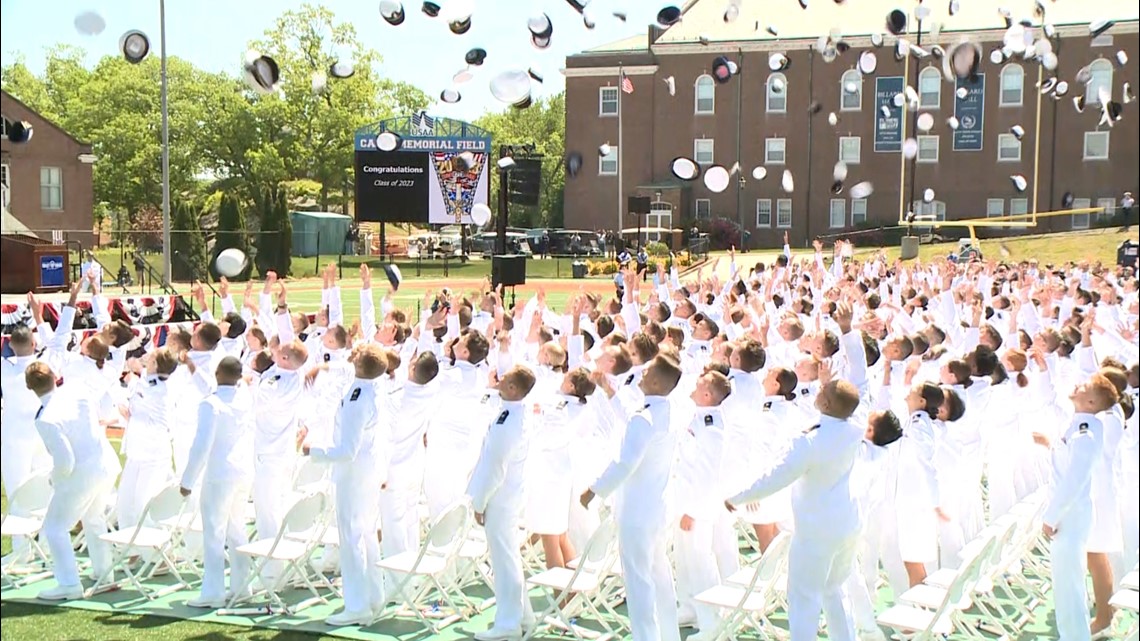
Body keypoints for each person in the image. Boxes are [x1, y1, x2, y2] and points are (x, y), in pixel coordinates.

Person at [726, 376, 865, 641]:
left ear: (825, 401)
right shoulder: (855, 429)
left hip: (816, 530)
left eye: (822, 388)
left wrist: (739, 496)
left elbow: (777, 476)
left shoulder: (810, 440)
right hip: (847, 523)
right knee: (836, 590)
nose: (818, 389)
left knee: (804, 599)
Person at [581, 355, 683, 641]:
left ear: (654, 381)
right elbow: (632, 420)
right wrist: (610, 391)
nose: (642, 371)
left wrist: (594, 490)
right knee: (659, 576)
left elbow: (626, 462)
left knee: (638, 583)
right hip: (656, 507)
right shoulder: (665, 410)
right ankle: (668, 635)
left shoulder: (646, 417)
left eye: (647, 369)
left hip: (637, 512)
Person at [302, 344, 390, 626]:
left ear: (360, 365)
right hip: (368, 470)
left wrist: (312, 451)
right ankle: (374, 596)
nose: (352, 354)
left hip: (354, 474)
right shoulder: (372, 387)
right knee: (364, 535)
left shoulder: (358, 396)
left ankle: (357, 605)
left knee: (352, 538)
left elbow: (347, 449)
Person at [1035, 373, 1119, 641]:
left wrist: (1052, 516)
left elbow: (1076, 477)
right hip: (1069, 516)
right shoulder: (1080, 425)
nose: (1076, 385)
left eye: (1083, 387)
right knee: (1067, 588)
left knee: (1069, 589)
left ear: (1092, 400)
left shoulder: (1087, 429)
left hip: (1069, 517)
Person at [26, 361, 120, 600]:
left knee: (55, 528)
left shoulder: (45, 419)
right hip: (105, 464)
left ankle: (69, 584)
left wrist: (54, 480)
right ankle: (104, 574)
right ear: (54, 376)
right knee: (94, 517)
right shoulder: (76, 390)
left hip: (84, 473)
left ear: (30, 388)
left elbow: (65, 462)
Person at [467, 365, 538, 641]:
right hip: (507, 495)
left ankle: (508, 623)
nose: (500, 378)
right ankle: (524, 616)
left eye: (505, 378)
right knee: (509, 558)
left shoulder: (510, 419)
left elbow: (495, 467)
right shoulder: (512, 412)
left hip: (501, 497)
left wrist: (479, 501)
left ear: (513, 389)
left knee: (504, 560)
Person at [180, 356, 256, 609]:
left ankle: (213, 591)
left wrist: (188, 479)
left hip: (220, 474)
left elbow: (201, 445)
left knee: (214, 533)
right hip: (242, 471)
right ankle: (242, 585)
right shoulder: (244, 399)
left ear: (217, 373)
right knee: (237, 530)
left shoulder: (211, 404)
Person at [674, 370, 730, 640]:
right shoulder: (697, 416)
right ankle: (689, 608)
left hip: (696, 506)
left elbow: (707, 474)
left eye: (699, 385)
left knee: (700, 561)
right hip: (684, 500)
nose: (693, 387)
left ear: (708, 395)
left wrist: (692, 512)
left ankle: (711, 623)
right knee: (684, 559)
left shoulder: (711, 427)